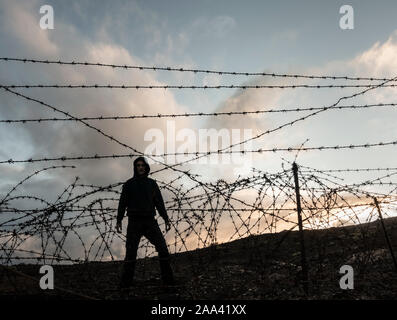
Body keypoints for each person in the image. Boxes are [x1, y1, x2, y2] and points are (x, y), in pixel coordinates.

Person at [116, 156, 174, 288]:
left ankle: (168, 281)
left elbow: (159, 202)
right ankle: (126, 284)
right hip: (134, 222)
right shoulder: (129, 184)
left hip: (149, 221)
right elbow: (122, 203)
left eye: (143, 165)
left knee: (163, 249)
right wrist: (119, 219)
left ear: (146, 167)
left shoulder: (152, 184)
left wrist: (165, 218)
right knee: (131, 253)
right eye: (138, 165)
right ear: (135, 168)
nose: (140, 167)